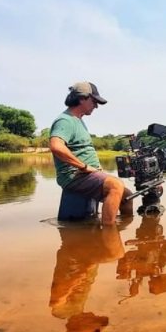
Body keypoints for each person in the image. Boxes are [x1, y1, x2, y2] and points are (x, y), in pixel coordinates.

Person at [49, 82, 133, 225]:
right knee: (116, 185)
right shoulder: (65, 120)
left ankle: (122, 227)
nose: (96, 106)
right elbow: (56, 146)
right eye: (94, 101)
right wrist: (84, 167)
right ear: (82, 98)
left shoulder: (78, 120)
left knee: (127, 196)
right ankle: (109, 232)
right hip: (75, 175)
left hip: (87, 174)